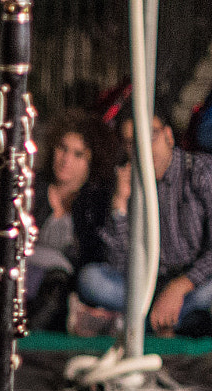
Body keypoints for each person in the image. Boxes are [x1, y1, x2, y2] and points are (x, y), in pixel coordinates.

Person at [0, 111, 115, 340]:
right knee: (11, 274)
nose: (66, 159)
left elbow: (95, 255)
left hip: (58, 285)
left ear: (92, 161)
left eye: (78, 154)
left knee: (28, 275)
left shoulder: (95, 202)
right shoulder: (32, 186)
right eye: (63, 148)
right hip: (18, 267)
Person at [74, 102, 212, 336]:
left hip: (192, 284)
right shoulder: (128, 182)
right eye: (132, 142)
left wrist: (179, 288)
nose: (143, 148)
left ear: (168, 135)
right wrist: (120, 205)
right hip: (147, 287)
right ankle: (165, 322)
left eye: (151, 136)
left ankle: (135, 324)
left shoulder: (200, 171)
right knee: (91, 280)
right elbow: (118, 262)